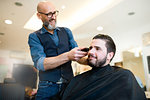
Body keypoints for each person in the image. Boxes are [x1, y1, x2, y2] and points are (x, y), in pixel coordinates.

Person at [28, 1, 87, 100]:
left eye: (54, 13)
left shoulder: (67, 31)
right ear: (39, 16)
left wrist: (92, 60)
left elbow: (77, 55)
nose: (54, 17)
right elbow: (40, 63)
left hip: (68, 85)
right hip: (47, 87)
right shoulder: (34, 36)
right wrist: (68, 56)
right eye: (49, 14)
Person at [61, 34, 147, 100]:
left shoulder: (123, 76)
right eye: (90, 48)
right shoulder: (77, 80)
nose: (91, 52)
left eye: (97, 49)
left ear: (109, 55)